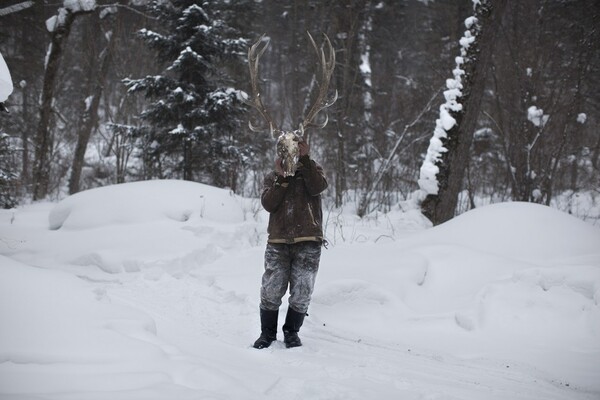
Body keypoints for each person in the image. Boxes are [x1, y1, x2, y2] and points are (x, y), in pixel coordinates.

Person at [253, 137, 327, 349]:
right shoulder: (272, 177)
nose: (290, 154)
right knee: (271, 289)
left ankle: (291, 332)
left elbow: (318, 187)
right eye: (285, 150)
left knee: (303, 290)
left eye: (295, 149)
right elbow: (268, 204)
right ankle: (267, 333)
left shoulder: (313, 170)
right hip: (278, 242)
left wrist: (305, 161)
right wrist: (281, 177)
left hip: (309, 241)